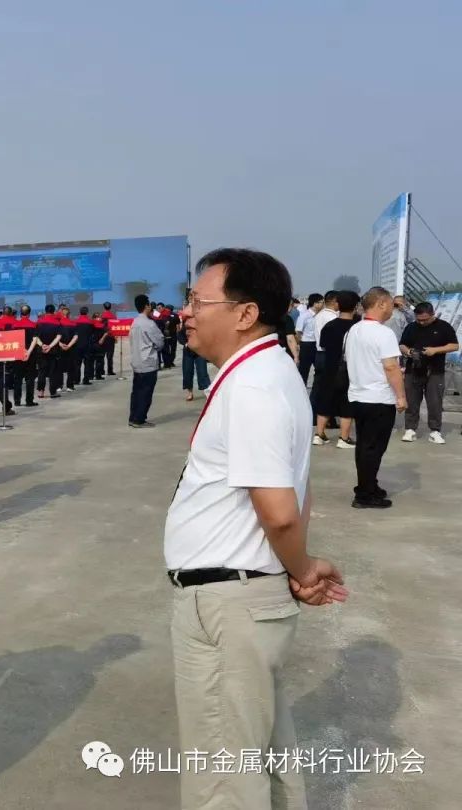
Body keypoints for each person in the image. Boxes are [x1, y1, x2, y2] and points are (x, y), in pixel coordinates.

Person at [166, 248, 348, 810]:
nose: (186, 313)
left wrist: (302, 568)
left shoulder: (252, 386)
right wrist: (295, 567)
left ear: (245, 314)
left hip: (228, 600)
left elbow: (280, 510)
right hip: (243, 594)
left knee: (224, 774)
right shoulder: (270, 372)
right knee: (256, 750)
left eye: (198, 301)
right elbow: (298, 487)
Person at [346, 287, 407, 508]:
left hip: (359, 396)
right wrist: (401, 396)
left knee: (365, 446)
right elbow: (391, 367)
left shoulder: (354, 330)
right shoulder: (384, 333)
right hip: (378, 398)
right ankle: (364, 495)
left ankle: (369, 485)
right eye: (391, 304)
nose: (392, 309)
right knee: (373, 448)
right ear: (381, 304)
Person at [399, 301, 459, 444]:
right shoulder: (411, 327)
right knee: (412, 401)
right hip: (413, 369)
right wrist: (409, 352)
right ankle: (410, 429)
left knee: (435, 402)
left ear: (432, 314)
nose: (421, 322)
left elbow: (454, 346)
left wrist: (435, 350)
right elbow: (402, 344)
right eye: (419, 319)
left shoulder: (444, 327)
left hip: (435, 370)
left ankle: (435, 430)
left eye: (425, 319)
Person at [313, 289, 360, 448]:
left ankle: (319, 434)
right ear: (356, 306)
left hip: (329, 368)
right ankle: (344, 438)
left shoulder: (329, 326)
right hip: (350, 370)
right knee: (347, 403)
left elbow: (323, 345)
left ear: (337, 304)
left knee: (325, 400)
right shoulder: (357, 326)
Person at [129, 294, 164, 427]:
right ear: (146, 306)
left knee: (136, 392)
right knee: (145, 393)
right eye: (149, 305)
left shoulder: (135, 322)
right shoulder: (149, 324)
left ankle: (133, 417)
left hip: (137, 362)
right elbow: (160, 342)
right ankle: (139, 420)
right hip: (148, 363)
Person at [177, 302, 210, 401]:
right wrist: (185, 343)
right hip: (188, 351)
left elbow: (206, 335)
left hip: (200, 350)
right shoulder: (186, 323)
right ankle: (190, 392)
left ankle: (207, 392)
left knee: (202, 371)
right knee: (187, 371)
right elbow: (180, 335)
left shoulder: (202, 323)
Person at [11, 305, 40, 407]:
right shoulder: (34, 325)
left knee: (17, 378)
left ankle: (17, 401)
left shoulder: (14, 325)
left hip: (18, 353)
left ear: (20, 313)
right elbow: (35, 340)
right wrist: (28, 352)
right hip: (30, 355)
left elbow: (13, 340)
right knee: (30, 378)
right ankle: (29, 401)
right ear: (29, 313)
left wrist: (22, 350)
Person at [34, 305, 63, 398]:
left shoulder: (39, 322)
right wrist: (50, 346)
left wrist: (42, 345)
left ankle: (41, 392)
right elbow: (58, 337)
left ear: (45, 311)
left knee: (41, 371)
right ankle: (53, 392)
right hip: (53, 350)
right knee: (53, 372)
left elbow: (35, 337)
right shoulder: (57, 323)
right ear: (54, 311)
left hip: (41, 350)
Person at [294, 293, 322, 383]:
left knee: (319, 369)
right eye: (321, 302)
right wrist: (299, 344)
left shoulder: (319, 315)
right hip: (306, 345)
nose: (322, 304)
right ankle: (302, 388)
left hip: (316, 344)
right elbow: (298, 332)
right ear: (315, 303)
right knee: (304, 369)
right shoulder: (304, 316)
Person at [73, 306, 96, 385]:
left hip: (77, 345)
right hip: (87, 345)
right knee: (87, 363)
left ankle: (76, 380)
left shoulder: (75, 322)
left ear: (80, 312)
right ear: (87, 312)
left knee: (77, 363)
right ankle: (86, 380)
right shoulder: (91, 322)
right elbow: (93, 333)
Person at [97, 302, 117, 377]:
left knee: (102, 355)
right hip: (111, 337)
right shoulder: (113, 316)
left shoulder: (101, 316)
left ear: (104, 307)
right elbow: (114, 327)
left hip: (102, 337)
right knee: (110, 355)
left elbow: (99, 326)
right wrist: (115, 337)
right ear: (110, 307)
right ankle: (110, 371)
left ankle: (101, 371)